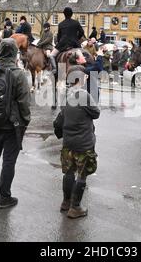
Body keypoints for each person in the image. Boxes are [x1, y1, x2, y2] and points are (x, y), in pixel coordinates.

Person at [0, 38, 31, 209]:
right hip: (12, 123)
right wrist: (25, 121)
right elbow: (24, 102)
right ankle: (4, 197)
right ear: (15, 52)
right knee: (8, 161)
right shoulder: (19, 74)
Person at [54, 65, 100, 219]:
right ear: (81, 79)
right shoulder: (83, 95)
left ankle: (66, 202)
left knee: (68, 172)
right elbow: (96, 113)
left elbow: (62, 115)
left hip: (68, 141)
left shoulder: (66, 94)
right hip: (83, 143)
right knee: (82, 174)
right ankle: (75, 207)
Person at [50, 7, 86, 75]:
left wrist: (59, 42)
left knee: (51, 55)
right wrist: (76, 39)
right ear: (72, 14)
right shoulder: (76, 23)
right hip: (75, 44)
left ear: (64, 14)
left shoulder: (61, 24)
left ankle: (55, 69)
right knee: (85, 55)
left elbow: (59, 36)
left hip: (63, 44)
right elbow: (82, 32)